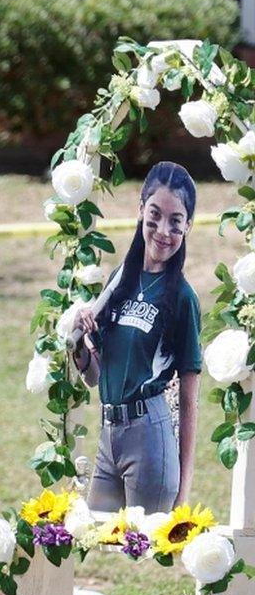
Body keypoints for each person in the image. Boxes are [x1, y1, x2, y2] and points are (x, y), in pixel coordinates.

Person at [73, 161, 201, 514]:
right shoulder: (120, 280)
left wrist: (184, 491)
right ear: (140, 209)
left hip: (150, 436)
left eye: (176, 221)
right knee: (92, 538)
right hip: (109, 434)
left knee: (147, 550)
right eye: (155, 214)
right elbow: (95, 376)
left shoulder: (182, 298)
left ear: (188, 226)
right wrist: (80, 346)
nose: (163, 230)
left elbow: (190, 400)